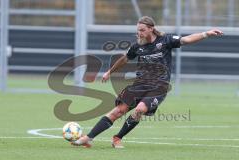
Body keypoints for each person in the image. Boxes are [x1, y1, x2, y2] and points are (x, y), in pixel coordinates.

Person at [71, 16, 223, 148]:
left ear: (151, 29)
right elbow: (124, 59)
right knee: (118, 111)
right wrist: (110, 72)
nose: (139, 33)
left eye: (142, 30)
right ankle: (87, 138)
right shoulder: (138, 46)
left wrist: (205, 34)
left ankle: (117, 138)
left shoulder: (166, 41)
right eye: (138, 30)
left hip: (159, 86)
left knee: (140, 110)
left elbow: (186, 39)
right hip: (139, 85)